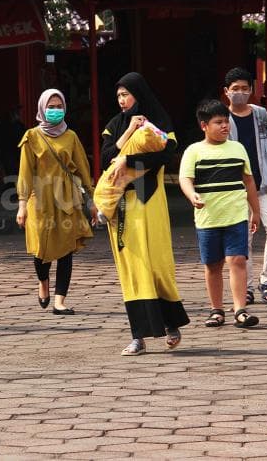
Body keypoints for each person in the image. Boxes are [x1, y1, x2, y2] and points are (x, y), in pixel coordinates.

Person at [101, 72, 190, 355]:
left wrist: (128, 159)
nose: (121, 100)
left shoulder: (159, 120)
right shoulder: (115, 125)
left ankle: (171, 324)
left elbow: (166, 153)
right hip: (122, 204)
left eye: (126, 94)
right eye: (118, 95)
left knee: (156, 263)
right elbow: (105, 158)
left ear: (139, 94)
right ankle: (138, 336)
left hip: (150, 200)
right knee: (132, 268)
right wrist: (128, 132)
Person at [179, 99, 260, 329]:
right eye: (218, 122)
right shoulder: (194, 151)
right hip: (208, 219)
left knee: (237, 260)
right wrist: (192, 195)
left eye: (226, 121)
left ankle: (240, 310)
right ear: (204, 125)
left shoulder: (238, 148)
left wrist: (255, 211)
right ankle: (216, 310)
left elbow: (249, 181)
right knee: (213, 265)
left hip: (236, 216)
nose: (225, 126)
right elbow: (185, 179)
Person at [16, 89, 97, 315]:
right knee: (41, 249)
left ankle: (60, 301)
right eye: (50, 107)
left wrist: (91, 201)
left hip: (66, 200)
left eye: (59, 106)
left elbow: (83, 170)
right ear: (42, 108)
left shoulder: (71, 137)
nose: (55, 111)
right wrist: (22, 205)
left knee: (65, 250)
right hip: (39, 201)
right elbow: (25, 173)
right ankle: (43, 283)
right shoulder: (32, 136)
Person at [224, 67, 267, 305]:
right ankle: (246, 286)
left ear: (251, 90)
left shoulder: (260, 114)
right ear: (226, 91)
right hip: (237, 188)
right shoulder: (222, 118)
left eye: (244, 88)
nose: (239, 92)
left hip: (265, 184)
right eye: (235, 89)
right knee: (244, 238)